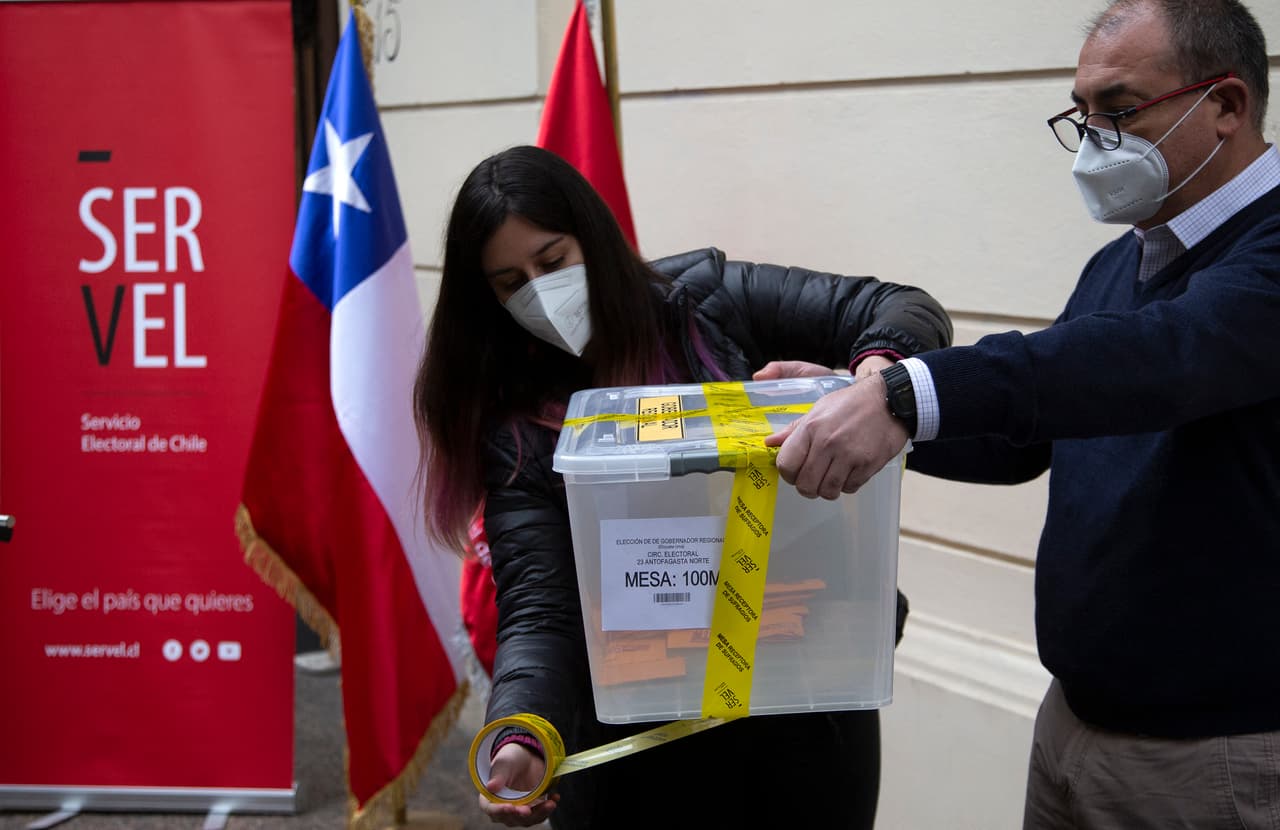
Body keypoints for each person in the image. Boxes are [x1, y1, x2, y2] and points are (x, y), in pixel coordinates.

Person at [763, 1, 1279, 827]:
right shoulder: (1124, 260)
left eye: (1119, 109)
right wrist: (845, 401)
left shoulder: (1266, 253)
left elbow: (1164, 358)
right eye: (1082, 116)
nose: (1094, 141)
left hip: (1213, 759)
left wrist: (906, 392)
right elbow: (1030, 433)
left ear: (1225, 105)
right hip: (1075, 724)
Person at [411, 144, 952, 829]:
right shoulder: (516, 419)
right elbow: (540, 605)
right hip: (634, 738)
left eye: (552, 262)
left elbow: (900, 307)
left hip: (802, 704)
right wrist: (522, 732)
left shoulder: (711, 304)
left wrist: (875, 384)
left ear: (594, 240)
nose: (540, 291)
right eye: (511, 282)